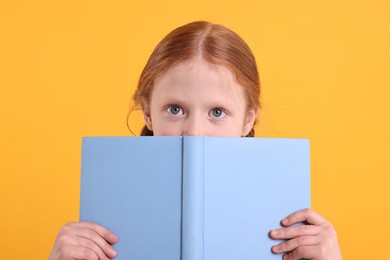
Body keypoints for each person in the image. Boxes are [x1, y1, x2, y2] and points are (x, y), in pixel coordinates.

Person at [49, 21, 342, 260]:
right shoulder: (105, 208)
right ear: (148, 113)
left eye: (217, 112)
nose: (194, 132)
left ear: (248, 119)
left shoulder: (289, 223)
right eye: (175, 110)